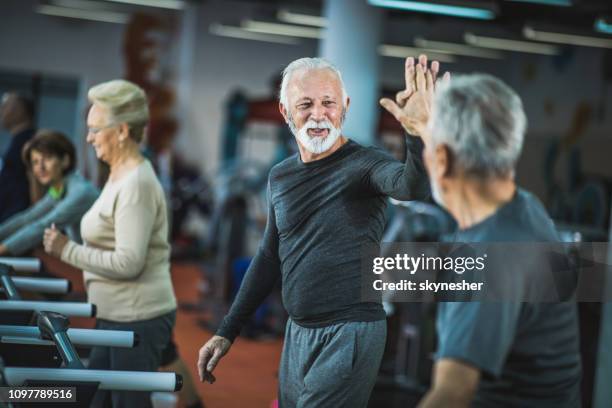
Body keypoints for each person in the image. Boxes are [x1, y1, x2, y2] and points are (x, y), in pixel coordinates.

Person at [197, 57, 432, 407]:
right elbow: (267, 257)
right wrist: (227, 330)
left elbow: (411, 187)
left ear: (345, 107)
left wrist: (416, 134)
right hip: (298, 332)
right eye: (305, 104)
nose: (319, 114)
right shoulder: (281, 176)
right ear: (285, 110)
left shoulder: (366, 164)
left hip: (350, 332)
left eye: (328, 103)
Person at [380, 57, 581, 406]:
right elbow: (456, 167)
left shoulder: (486, 259)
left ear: (441, 160)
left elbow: (452, 393)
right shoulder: (524, 209)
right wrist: (428, 128)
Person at [43, 79, 177, 408]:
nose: (88, 138)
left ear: (121, 131)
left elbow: (128, 262)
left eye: (95, 129)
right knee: (95, 402)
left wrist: (66, 250)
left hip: (137, 317)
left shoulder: (136, 183)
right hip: (114, 314)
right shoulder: (118, 174)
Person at [0, 130, 98, 256]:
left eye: (47, 158)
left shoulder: (80, 191)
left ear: (65, 160)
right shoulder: (59, 189)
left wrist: (2, 248)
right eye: (35, 162)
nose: (40, 167)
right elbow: (27, 218)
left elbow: (43, 226)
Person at [0, 92, 37, 222]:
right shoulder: (17, 141)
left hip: (16, 218)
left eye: (6, 106)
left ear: (21, 111)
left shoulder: (30, 143)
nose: (1, 111)